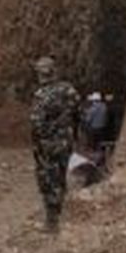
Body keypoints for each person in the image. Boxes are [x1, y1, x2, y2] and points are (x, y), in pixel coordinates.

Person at [29, 56, 82, 232]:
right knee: (60, 176)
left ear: (40, 74)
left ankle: (52, 222)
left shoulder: (41, 95)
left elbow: (36, 123)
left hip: (48, 146)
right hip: (66, 143)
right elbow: (79, 112)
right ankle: (62, 210)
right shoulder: (68, 90)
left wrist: (39, 143)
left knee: (48, 181)